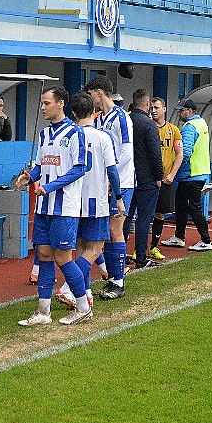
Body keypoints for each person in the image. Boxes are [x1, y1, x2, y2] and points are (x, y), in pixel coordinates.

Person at [16, 86, 90, 326]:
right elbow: (40, 166)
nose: (43, 107)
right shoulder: (45, 134)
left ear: (61, 103)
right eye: (42, 103)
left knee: (63, 256)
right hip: (43, 207)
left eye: (47, 103)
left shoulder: (75, 133)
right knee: (44, 255)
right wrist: (30, 176)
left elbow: (81, 168)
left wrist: (51, 187)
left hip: (65, 207)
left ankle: (82, 306)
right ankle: (43, 311)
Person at [55, 93, 123, 309]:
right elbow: (112, 171)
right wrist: (119, 197)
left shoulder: (68, 136)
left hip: (74, 200)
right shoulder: (103, 137)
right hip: (96, 200)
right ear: (93, 111)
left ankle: (84, 293)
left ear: (72, 113)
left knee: (81, 247)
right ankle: (68, 288)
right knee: (94, 249)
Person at [83, 75, 134, 300]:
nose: (90, 99)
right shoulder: (99, 119)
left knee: (115, 230)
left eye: (90, 94)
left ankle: (118, 282)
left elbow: (126, 152)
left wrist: (107, 172)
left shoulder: (122, 118)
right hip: (104, 184)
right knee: (104, 232)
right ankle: (111, 278)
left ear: (99, 93)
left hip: (121, 182)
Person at [161, 99, 212, 251]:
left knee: (193, 207)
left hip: (191, 173)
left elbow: (185, 153)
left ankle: (206, 240)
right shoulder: (201, 123)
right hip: (198, 172)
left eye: (181, 110)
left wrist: (173, 171)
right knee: (181, 205)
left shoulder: (189, 127)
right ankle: (179, 237)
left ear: (190, 111)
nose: (179, 113)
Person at [122, 89, 163, 269]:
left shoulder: (125, 121)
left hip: (127, 177)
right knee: (143, 219)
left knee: (125, 217)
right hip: (146, 179)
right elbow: (155, 154)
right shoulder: (148, 125)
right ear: (146, 104)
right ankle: (141, 258)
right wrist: (158, 176)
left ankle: (120, 256)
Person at [148, 97, 183, 261]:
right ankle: (138, 248)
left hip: (165, 180)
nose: (153, 110)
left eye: (156, 107)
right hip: (148, 180)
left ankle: (153, 247)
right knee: (144, 214)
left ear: (164, 109)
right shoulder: (147, 128)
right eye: (151, 108)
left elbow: (180, 154)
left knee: (160, 214)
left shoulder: (173, 130)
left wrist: (171, 175)